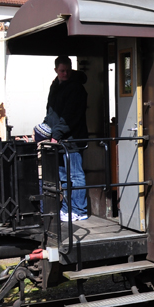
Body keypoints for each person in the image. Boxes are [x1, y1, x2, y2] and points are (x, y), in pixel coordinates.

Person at [42, 55, 89, 221]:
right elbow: (52, 112)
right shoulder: (56, 86)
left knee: (75, 175)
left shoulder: (75, 89)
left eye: (67, 70)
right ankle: (69, 208)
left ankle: (78, 210)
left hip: (72, 140)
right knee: (64, 176)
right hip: (63, 139)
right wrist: (46, 127)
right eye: (62, 71)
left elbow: (70, 116)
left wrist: (55, 134)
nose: (65, 73)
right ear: (56, 70)